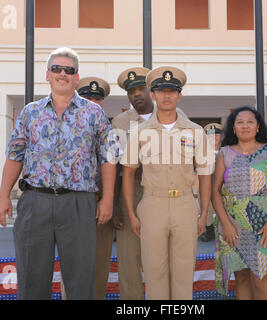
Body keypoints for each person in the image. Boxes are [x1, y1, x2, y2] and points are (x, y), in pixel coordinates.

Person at [0, 47, 120, 300]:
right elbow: (14, 155)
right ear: (47, 74)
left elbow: (108, 158)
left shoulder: (93, 113)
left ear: (76, 77)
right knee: (31, 279)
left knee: (80, 279)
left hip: (78, 204)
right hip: (35, 202)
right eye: (57, 69)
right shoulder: (30, 112)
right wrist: (3, 196)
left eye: (69, 70)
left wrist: (107, 199)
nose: (62, 74)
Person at [121, 66, 214, 300]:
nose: (167, 95)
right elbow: (129, 173)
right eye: (161, 91)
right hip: (152, 205)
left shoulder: (195, 132)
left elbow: (204, 175)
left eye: (172, 91)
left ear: (179, 95)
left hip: (184, 204)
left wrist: (204, 213)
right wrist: (132, 213)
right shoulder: (140, 132)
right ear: (153, 94)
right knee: (154, 273)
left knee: (184, 273)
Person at [212, 106, 267, 300]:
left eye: (250, 122)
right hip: (234, 225)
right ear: (233, 128)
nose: (245, 126)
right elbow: (215, 191)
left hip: (264, 225)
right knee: (241, 278)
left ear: (257, 127)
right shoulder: (224, 154)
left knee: (260, 277)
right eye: (240, 122)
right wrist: (227, 225)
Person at [59, 76, 113, 300]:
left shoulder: (107, 126)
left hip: (101, 206)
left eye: (97, 98)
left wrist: (109, 201)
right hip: (72, 204)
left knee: (99, 265)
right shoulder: (62, 126)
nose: (93, 101)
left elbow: (112, 163)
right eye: (88, 97)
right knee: (71, 264)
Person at [110, 67, 154, 300]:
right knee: (128, 263)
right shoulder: (120, 121)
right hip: (131, 194)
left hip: (162, 193)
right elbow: (114, 165)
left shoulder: (174, 115)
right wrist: (115, 205)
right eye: (131, 91)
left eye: (140, 88)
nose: (136, 94)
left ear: (150, 89)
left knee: (160, 260)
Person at [199, 123, 223, 242]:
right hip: (206, 185)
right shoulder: (201, 153)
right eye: (210, 135)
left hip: (223, 186)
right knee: (206, 205)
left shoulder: (227, 151)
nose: (214, 137)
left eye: (217, 134)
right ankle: (208, 229)